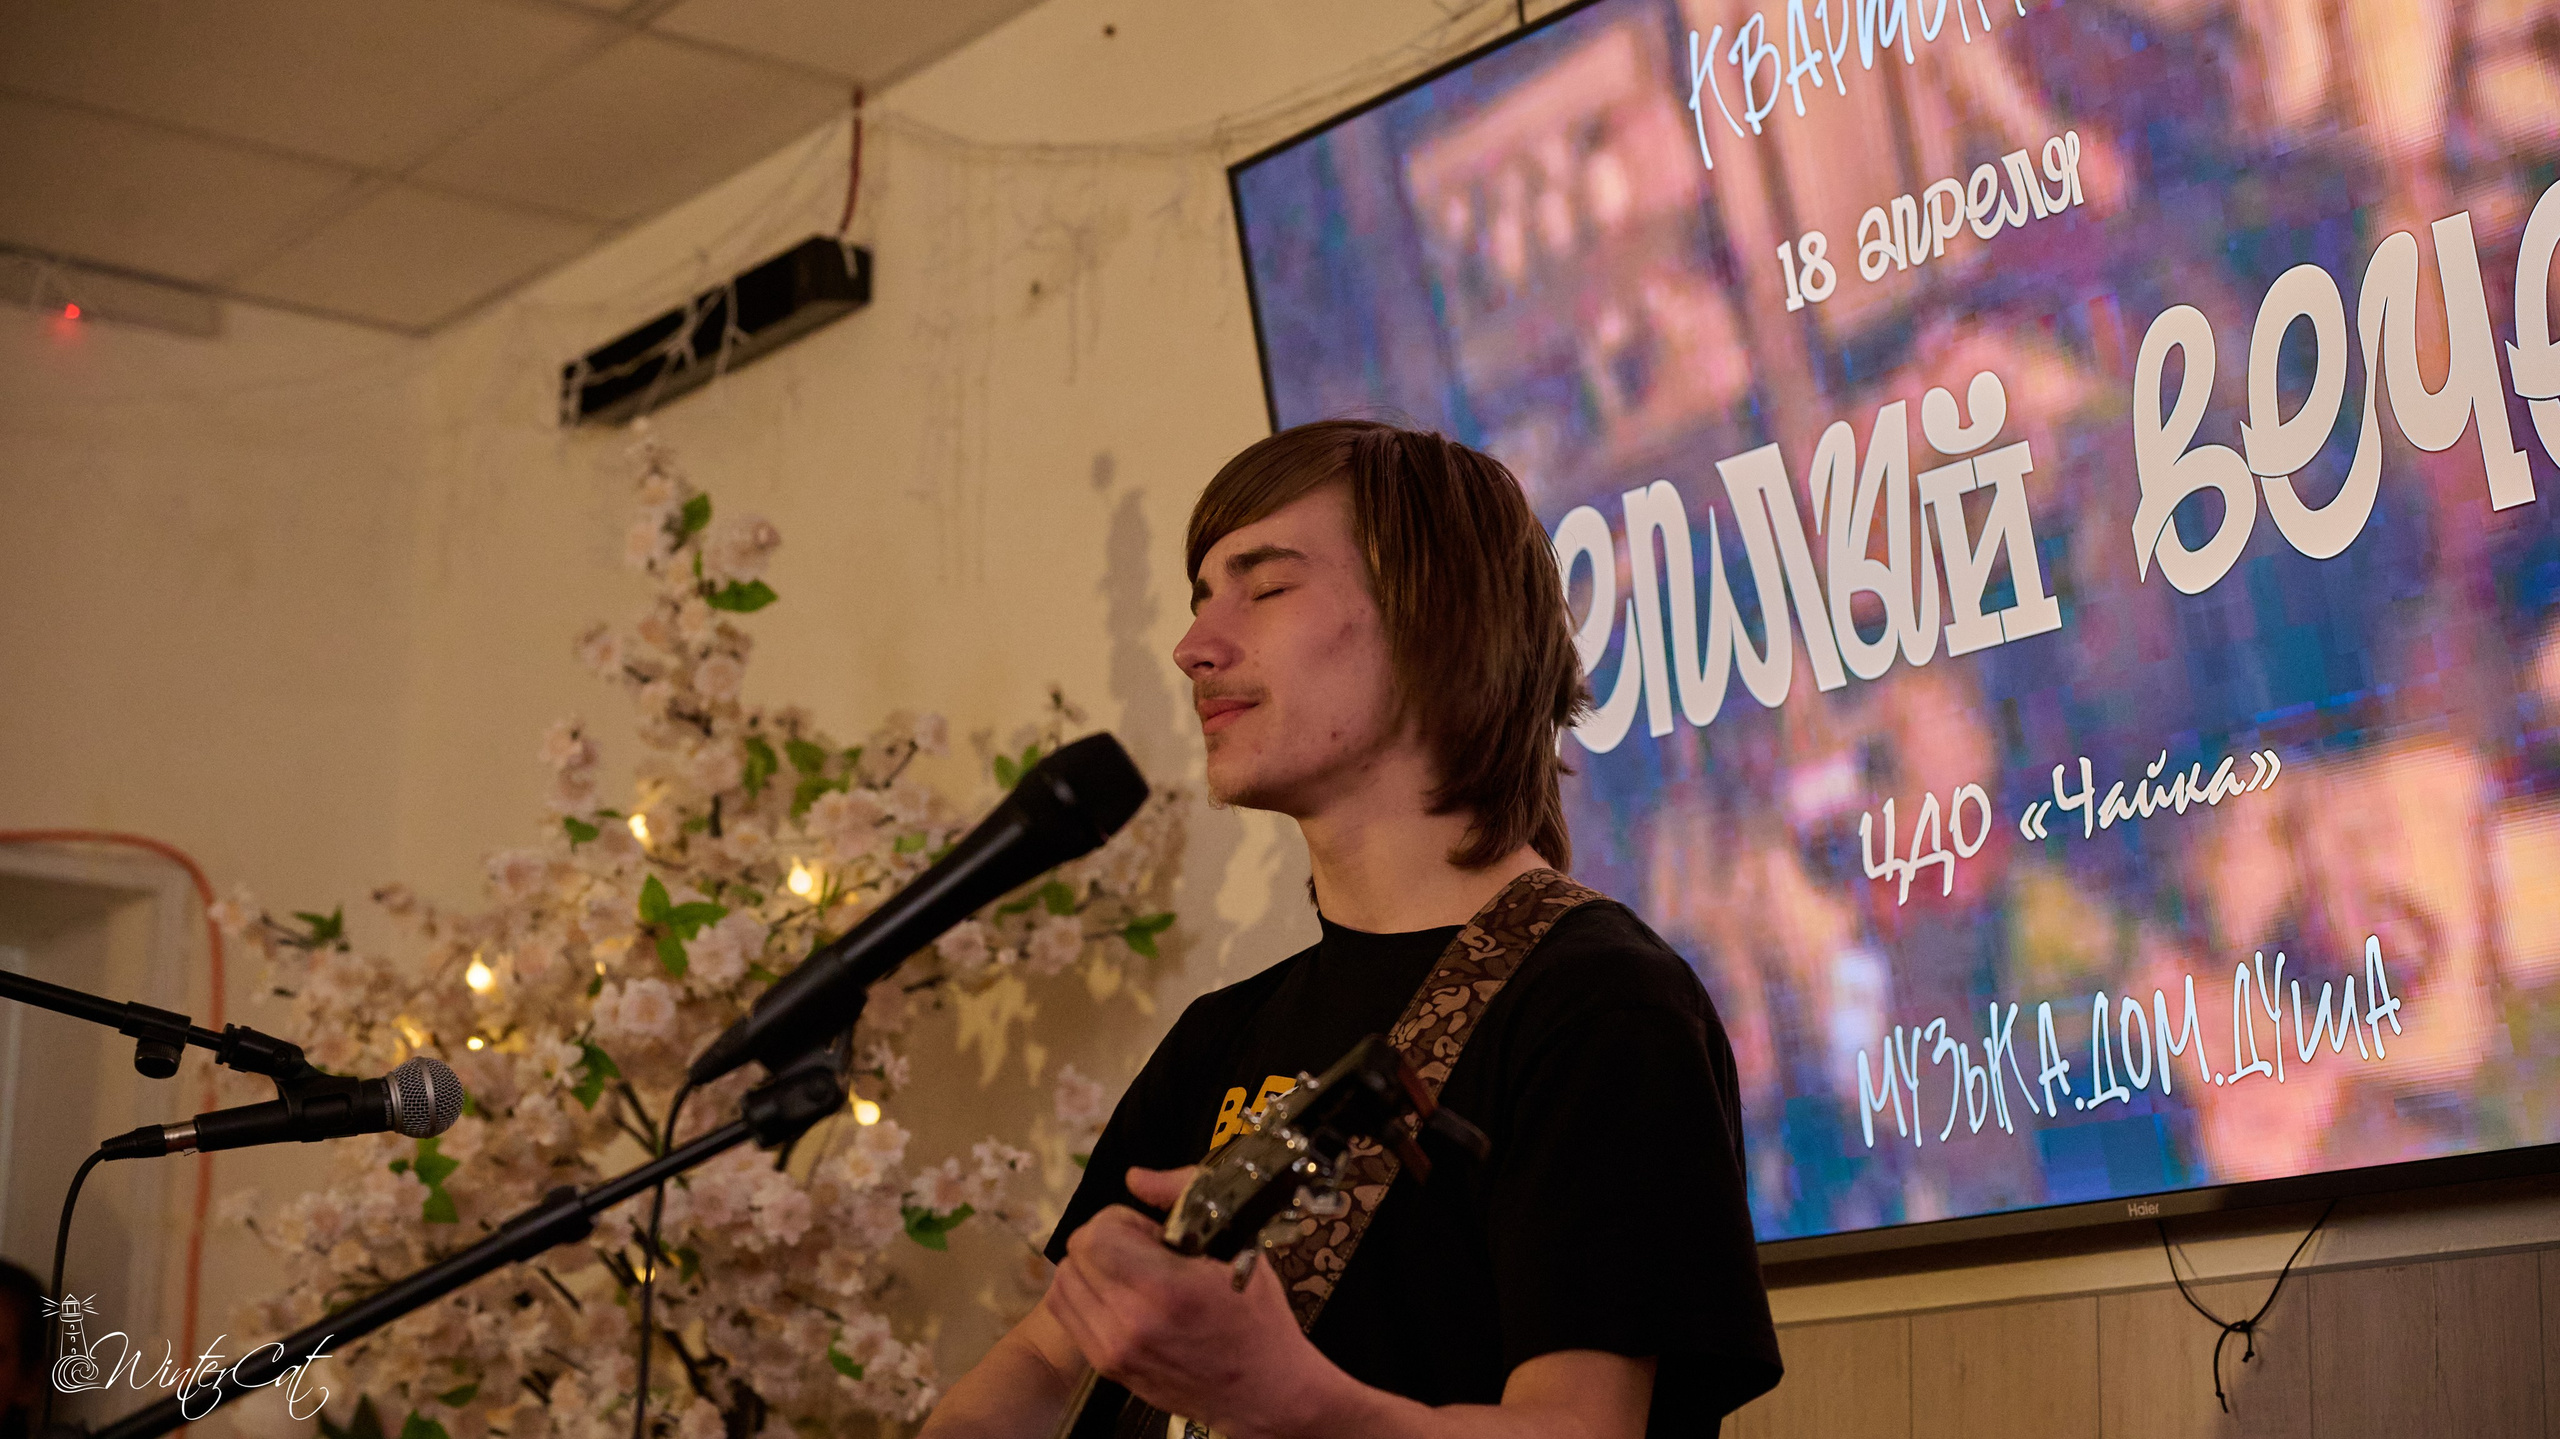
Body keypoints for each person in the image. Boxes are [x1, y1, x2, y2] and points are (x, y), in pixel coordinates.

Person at [921, 420, 1780, 1438]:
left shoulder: (1599, 1005)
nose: (1195, 645)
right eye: (1201, 596)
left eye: (1266, 586)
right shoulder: (1219, 1036)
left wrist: (1288, 1398)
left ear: (1436, 621)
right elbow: (1038, 1354)